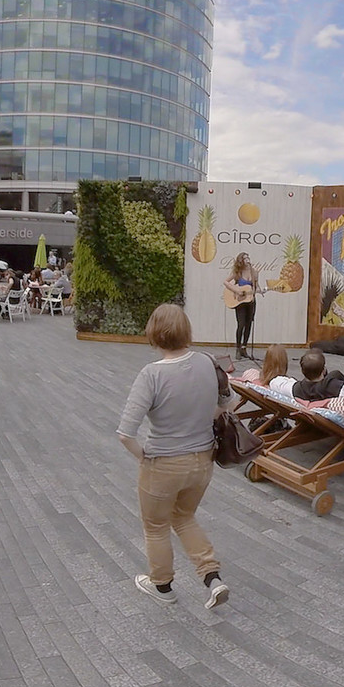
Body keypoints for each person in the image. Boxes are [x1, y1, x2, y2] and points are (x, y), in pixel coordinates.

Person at [116, 304, 230, 610]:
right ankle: (212, 577)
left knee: (156, 526)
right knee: (184, 516)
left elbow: (125, 433)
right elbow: (228, 402)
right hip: (202, 460)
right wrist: (204, 418)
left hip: (163, 464)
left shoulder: (151, 374)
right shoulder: (208, 362)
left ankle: (162, 586)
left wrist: (143, 457)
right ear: (186, 330)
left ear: (154, 334)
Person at [223, 252, 262, 361]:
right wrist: (236, 290)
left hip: (250, 301)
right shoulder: (238, 272)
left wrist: (261, 290)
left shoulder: (254, 272)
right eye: (245, 258)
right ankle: (238, 348)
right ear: (241, 261)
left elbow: (256, 286)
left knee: (249, 324)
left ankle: (244, 348)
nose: (247, 260)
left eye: (248, 257)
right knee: (241, 324)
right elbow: (226, 282)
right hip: (240, 302)